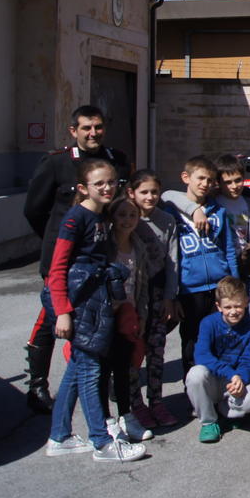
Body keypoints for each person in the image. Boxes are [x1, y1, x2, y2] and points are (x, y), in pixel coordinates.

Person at [23, 104, 131, 414]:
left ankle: (103, 376)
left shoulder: (117, 161)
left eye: (97, 127)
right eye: (86, 128)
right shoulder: (56, 164)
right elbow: (34, 209)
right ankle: (37, 385)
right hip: (65, 259)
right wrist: (54, 240)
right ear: (74, 131)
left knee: (104, 317)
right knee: (52, 319)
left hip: (104, 256)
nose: (93, 133)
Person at [43, 158, 146, 462]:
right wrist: (62, 310)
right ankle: (102, 442)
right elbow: (57, 267)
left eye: (111, 182)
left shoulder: (101, 217)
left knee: (76, 371)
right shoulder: (76, 218)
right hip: (79, 306)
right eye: (99, 183)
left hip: (95, 304)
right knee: (90, 371)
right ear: (82, 188)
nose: (106, 187)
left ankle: (59, 436)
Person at [161, 156, 239, 375]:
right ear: (186, 178)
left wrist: (234, 283)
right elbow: (171, 256)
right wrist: (173, 294)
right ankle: (193, 392)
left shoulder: (219, 211)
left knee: (221, 336)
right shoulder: (171, 213)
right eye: (201, 178)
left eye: (210, 180)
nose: (205, 184)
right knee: (191, 340)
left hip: (218, 285)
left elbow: (229, 249)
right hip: (190, 289)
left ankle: (219, 388)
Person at [168, 155, 250, 311]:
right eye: (228, 182)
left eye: (238, 180)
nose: (234, 186)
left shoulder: (243, 204)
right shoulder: (214, 203)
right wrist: (194, 210)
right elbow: (167, 195)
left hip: (242, 267)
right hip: (199, 280)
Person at [98, 196, 160, 443]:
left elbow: (142, 286)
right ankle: (106, 421)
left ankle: (126, 416)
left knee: (124, 369)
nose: (127, 220)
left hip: (129, 315)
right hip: (105, 316)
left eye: (132, 215)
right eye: (122, 215)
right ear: (112, 217)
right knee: (103, 372)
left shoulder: (138, 246)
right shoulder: (105, 246)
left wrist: (141, 316)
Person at [126, 170, 180, 428]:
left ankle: (157, 402)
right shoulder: (126, 219)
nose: (150, 197)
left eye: (154, 192)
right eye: (144, 192)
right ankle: (136, 405)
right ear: (131, 193)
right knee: (133, 354)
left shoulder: (167, 220)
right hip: (133, 299)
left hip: (158, 295)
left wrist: (170, 297)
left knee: (156, 352)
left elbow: (173, 262)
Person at [185, 276, 250, 443]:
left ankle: (225, 413)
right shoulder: (208, 323)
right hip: (214, 378)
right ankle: (208, 422)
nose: (233, 311)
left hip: (233, 381)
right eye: (228, 307)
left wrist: (240, 378)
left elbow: (249, 360)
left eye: (238, 306)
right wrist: (230, 374)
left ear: (247, 302)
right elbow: (202, 356)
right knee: (195, 374)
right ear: (218, 306)